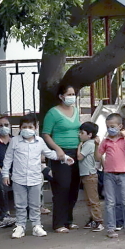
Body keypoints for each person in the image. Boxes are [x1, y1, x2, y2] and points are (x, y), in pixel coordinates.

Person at [2, 114, 73, 239]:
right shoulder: (15, 141)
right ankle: (20, 226)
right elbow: (8, 158)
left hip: (35, 178)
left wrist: (64, 158)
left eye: (30, 127)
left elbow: (49, 153)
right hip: (19, 179)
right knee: (20, 205)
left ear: (35, 128)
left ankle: (36, 226)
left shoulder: (39, 141)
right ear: (20, 128)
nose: (27, 129)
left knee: (35, 205)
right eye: (24, 127)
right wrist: (5, 174)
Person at [42, 84, 81, 233]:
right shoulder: (53, 113)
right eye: (69, 94)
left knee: (74, 187)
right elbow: (46, 134)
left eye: (73, 94)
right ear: (61, 96)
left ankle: (68, 220)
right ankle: (58, 223)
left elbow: (78, 129)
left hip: (76, 152)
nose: (72, 97)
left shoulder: (76, 111)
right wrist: (57, 149)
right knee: (62, 186)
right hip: (61, 154)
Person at [96, 113, 125, 238]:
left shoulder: (124, 140)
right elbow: (98, 157)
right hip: (109, 174)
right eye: (108, 126)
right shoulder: (106, 141)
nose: (110, 129)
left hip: (123, 174)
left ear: (120, 126)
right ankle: (111, 228)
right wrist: (97, 145)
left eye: (113, 126)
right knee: (110, 202)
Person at [77, 122, 104, 231]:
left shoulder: (88, 144)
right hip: (86, 174)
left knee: (93, 199)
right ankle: (93, 219)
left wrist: (79, 146)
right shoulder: (89, 143)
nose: (79, 135)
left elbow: (79, 157)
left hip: (89, 174)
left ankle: (98, 221)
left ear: (89, 134)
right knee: (89, 199)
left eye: (82, 133)